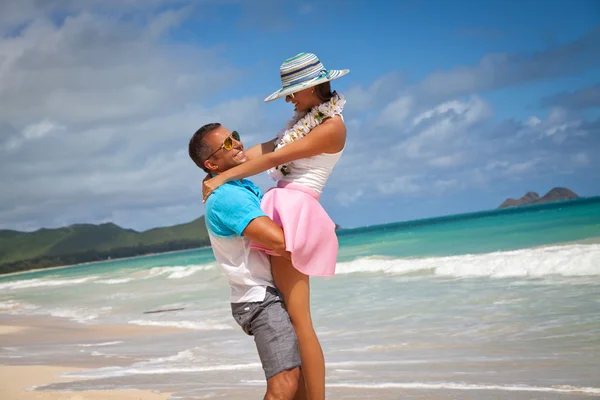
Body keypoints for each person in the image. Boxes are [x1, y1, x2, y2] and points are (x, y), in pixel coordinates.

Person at [202, 52, 349, 400]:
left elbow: (273, 158)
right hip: (285, 203)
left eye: (293, 92)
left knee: (300, 322)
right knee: (294, 319)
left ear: (312, 88)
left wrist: (219, 179)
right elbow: (261, 150)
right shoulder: (304, 120)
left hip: (297, 209)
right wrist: (214, 175)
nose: (288, 99)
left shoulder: (332, 126)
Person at [188, 123, 306, 400]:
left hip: (261, 294)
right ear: (211, 163)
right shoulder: (227, 196)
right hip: (259, 298)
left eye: (236, 137)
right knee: (284, 383)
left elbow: (269, 149)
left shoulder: (236, 183)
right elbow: (278, 240)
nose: (238, 144)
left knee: (295, 381)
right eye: (227, 144)